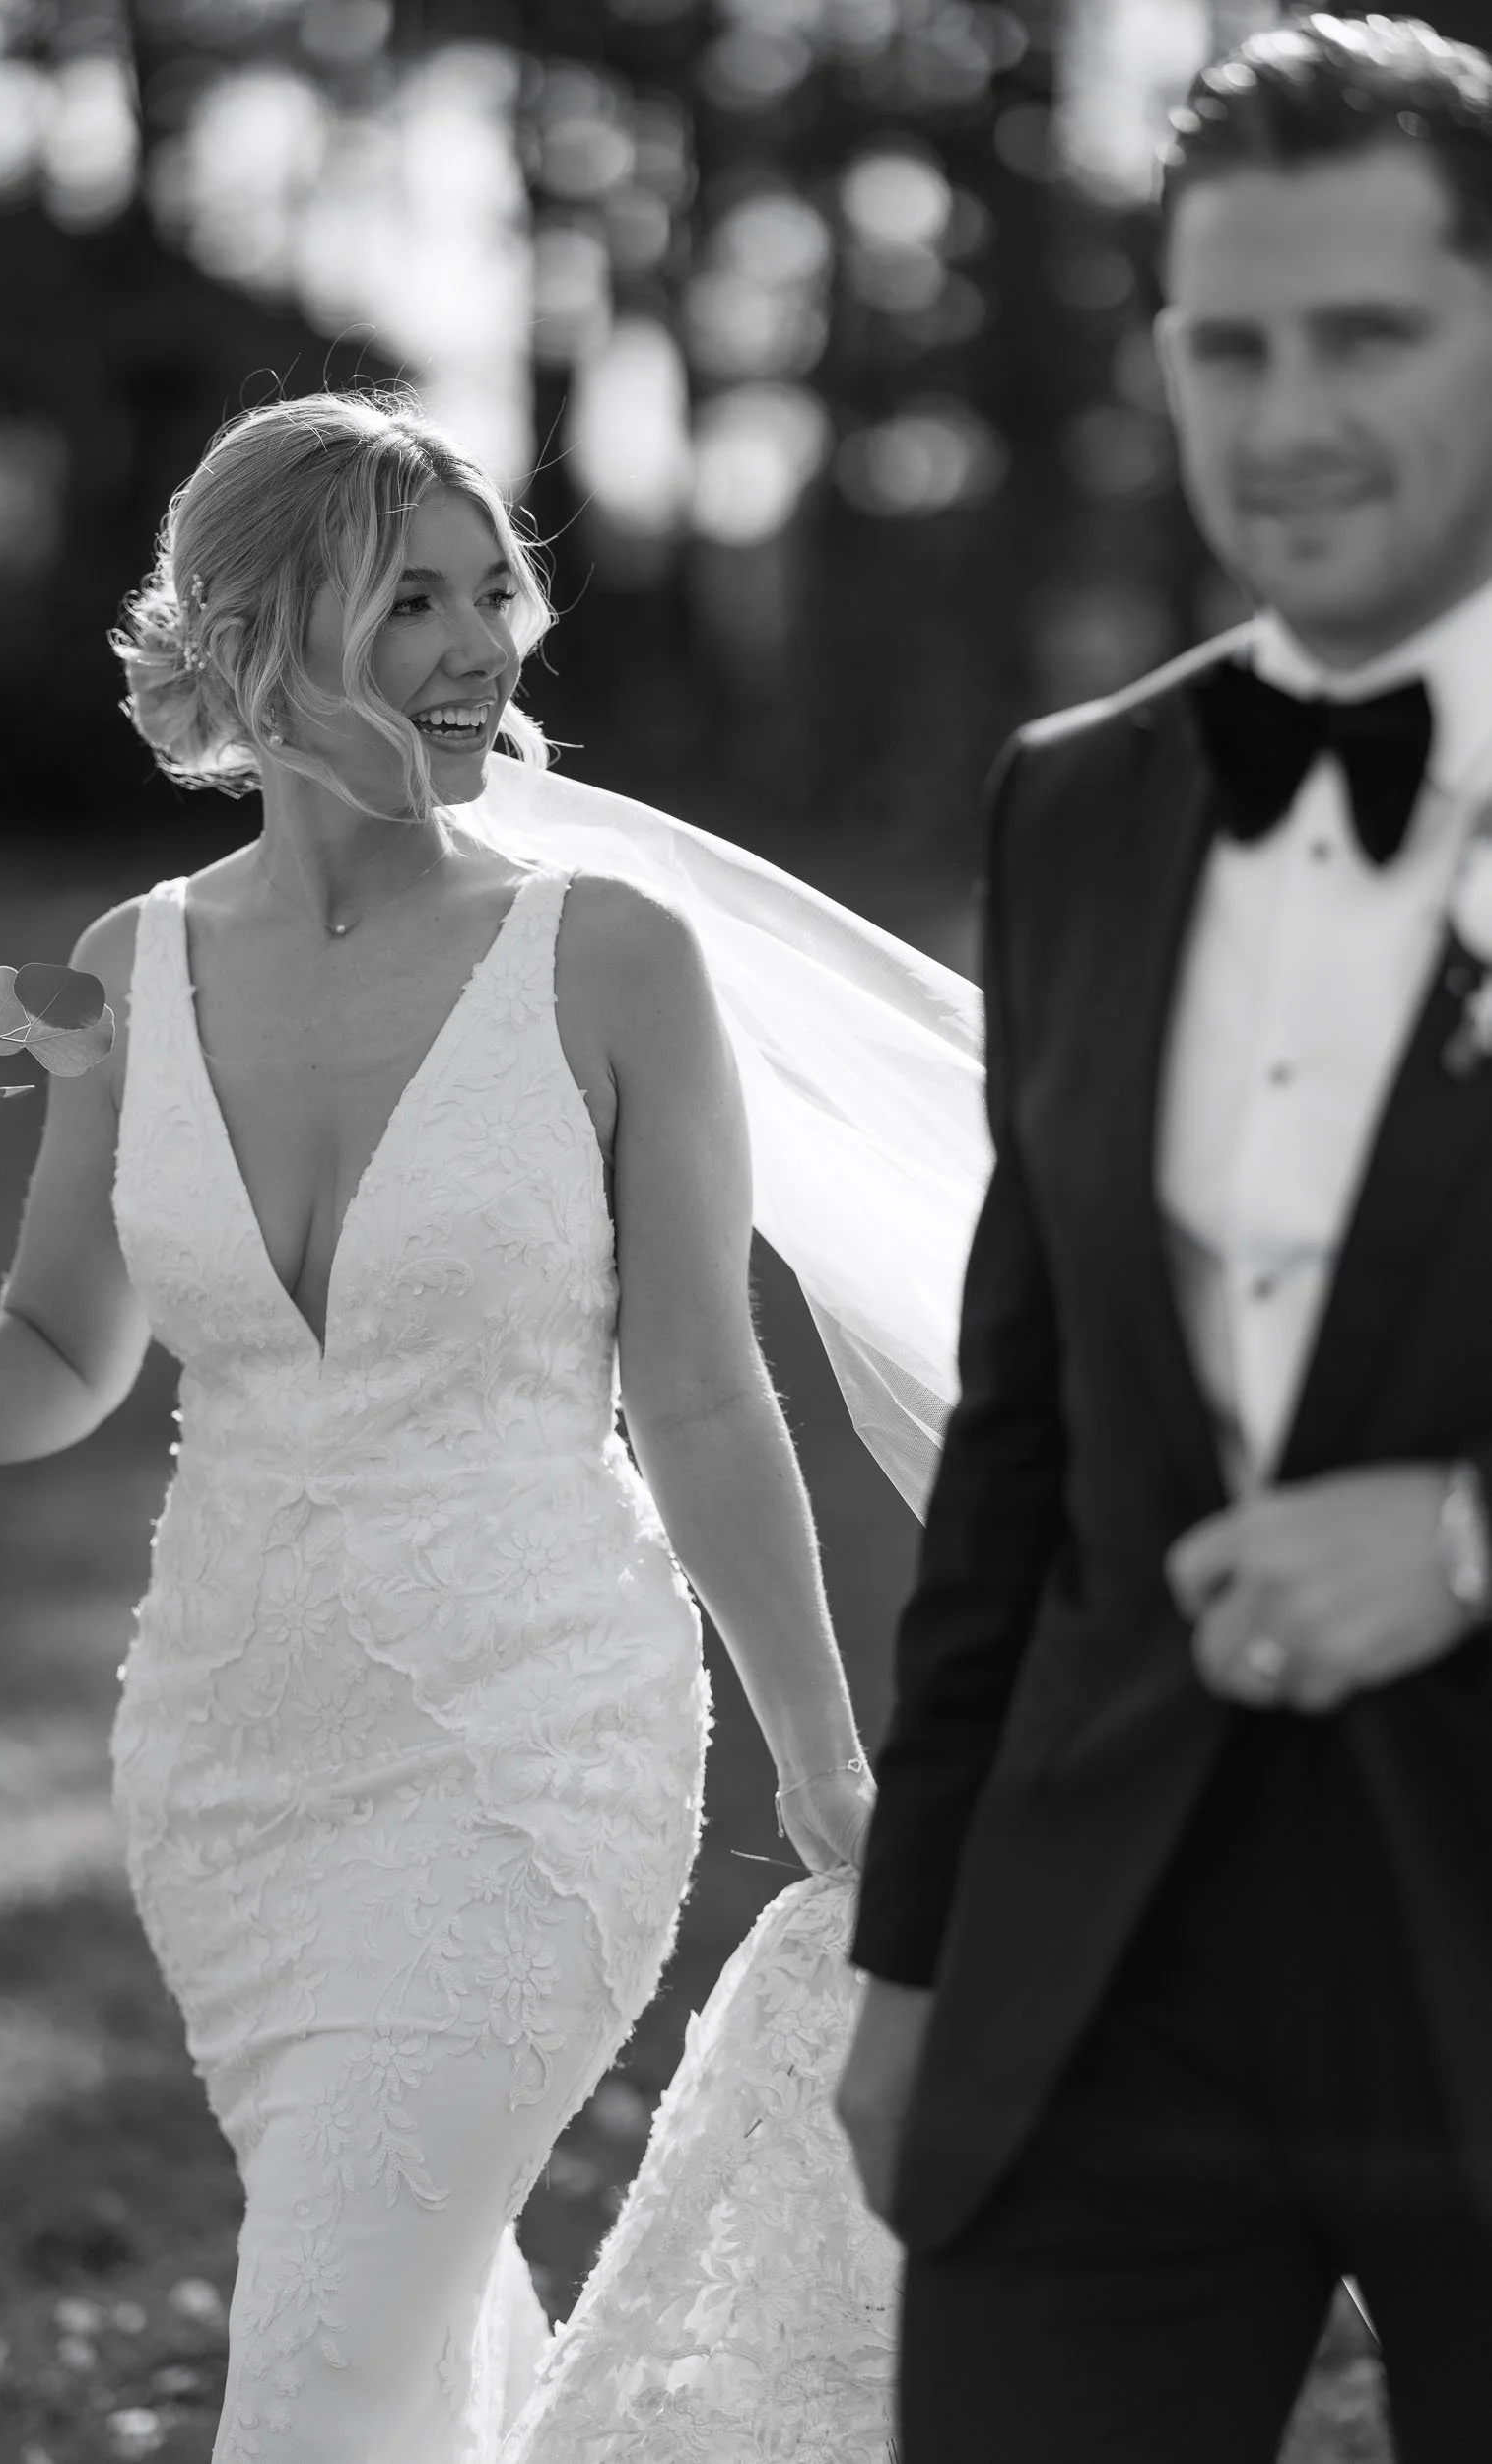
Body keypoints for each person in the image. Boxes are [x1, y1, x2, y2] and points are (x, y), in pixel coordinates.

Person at [0, 388, 893, 2463]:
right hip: (229, 1758)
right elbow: (54, 1358)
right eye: (411, 598)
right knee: (389, 2291)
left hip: (535, 1742)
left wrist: (820, 1749)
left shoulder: (608, 960)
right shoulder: (127, 965)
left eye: (491, 593)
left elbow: (701, 1382)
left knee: (321, 2357)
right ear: (259, 634)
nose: (482, 648)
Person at [836, 14, 1492, 2461]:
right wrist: (909, 1971)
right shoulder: (1080, 803)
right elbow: (1021, 1423)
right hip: (1108, 1958)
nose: (1283, 411)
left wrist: (1457, 1532)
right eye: (1226, 344)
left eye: (1367, 335)